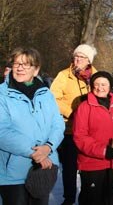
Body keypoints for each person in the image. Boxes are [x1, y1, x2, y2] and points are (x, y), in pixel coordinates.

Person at [0, 47, 65, 205]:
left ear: (36, 70)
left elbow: (57, 123)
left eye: (26, 64)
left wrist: (48, 147)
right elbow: (2, 131)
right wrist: (35, 152)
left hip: (43, 168)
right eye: (17, 64)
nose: (20, 68)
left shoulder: (46, 94)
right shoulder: (2, 94)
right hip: (13, 172)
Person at [73, 71, 113, 205]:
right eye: (96, 84)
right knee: (92, 199)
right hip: (92, 164)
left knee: (109, 198)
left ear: (110, 86)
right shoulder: (85, 107)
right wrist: (102, 150)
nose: (100, 87)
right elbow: (80, 136)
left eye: (104, 84)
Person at [50, 44, 98, 205]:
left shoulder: (97, 76)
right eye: (76, 56)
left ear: (89, 60)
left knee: (88, 168)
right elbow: (52, 99)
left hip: (90, 132)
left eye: (82, 57)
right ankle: (69, 199)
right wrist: (72, 112)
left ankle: (87, 198)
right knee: (69, 169)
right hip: (69, 131)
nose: (77, 59)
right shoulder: (64, 75)